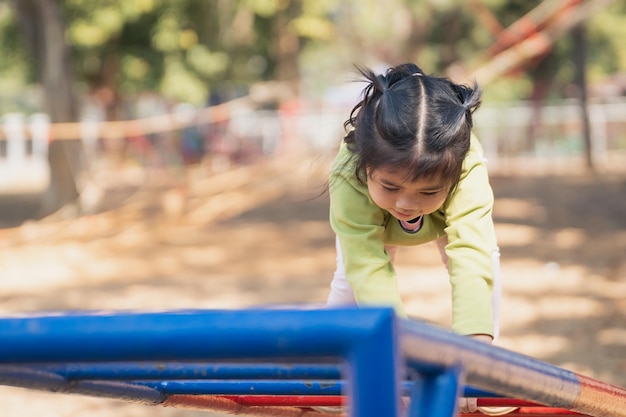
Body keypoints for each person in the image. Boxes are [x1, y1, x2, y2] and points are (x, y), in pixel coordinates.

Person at [326, 62, 501, 344]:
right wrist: (399, 343)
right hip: (373, 218)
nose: (407, 203)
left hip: (442, 218)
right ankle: (328, 354)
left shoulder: (466, 165)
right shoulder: (349, 172)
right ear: (365, 164)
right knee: (350, 279)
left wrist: (476, 346)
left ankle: (485, 355)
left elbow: (471, 254)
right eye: (391, 186)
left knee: (484, 262)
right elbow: (367, 266)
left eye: (428, 191)